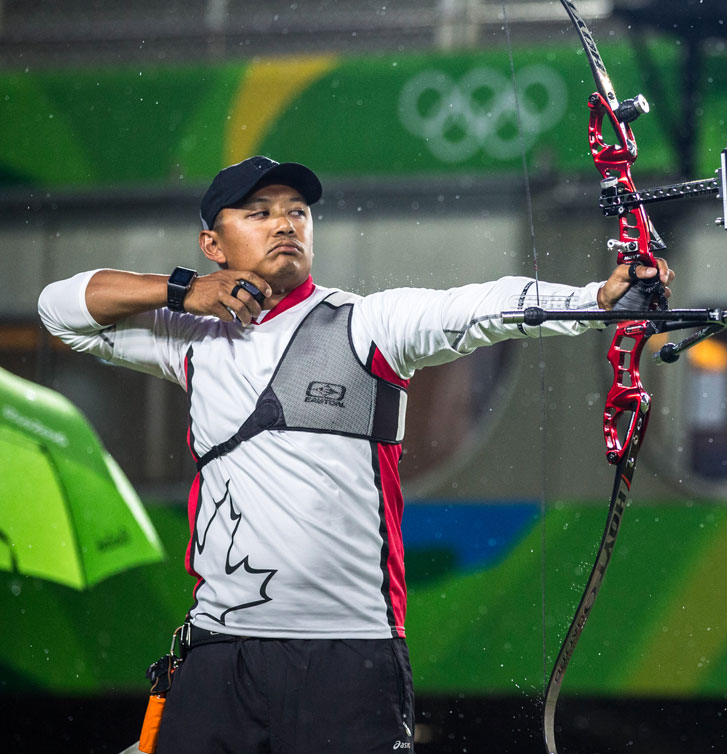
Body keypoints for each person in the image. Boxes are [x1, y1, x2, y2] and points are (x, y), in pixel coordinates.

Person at [37, 155, 672, 753]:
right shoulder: (187, 337)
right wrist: (184, 292)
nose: (284, 223)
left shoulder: (368, 324)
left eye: (296, 211)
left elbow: (480, 308)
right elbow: (59, 309)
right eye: (258, 212)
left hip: (348, 651)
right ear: (213, 243)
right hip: (221, 649)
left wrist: (598, 300)